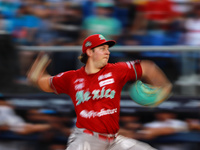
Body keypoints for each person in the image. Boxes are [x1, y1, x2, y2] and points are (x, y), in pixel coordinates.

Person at [27, 34, 172, 150]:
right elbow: (44, 82)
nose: (107, 52)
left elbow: (147, 67)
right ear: (89, 51)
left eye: (107, 49)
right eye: (102, 48)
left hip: (113, 140)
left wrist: (164, 86)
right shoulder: (71, 78)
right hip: (87, 139)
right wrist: (39, 65)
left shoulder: (116, 70)